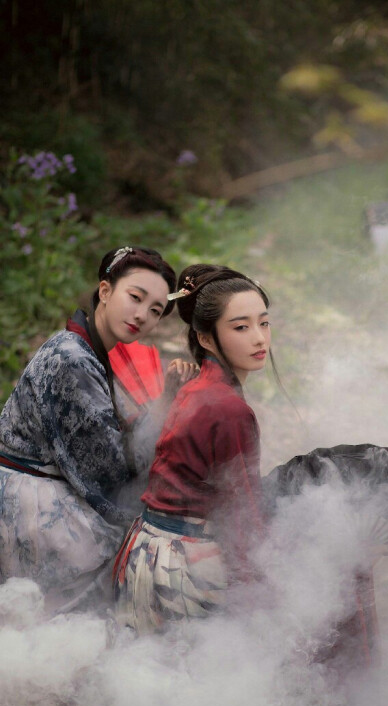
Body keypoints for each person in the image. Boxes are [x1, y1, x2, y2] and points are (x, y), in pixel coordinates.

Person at [0, 245, 193, 614]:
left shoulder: (91, 352)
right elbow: (108, 477)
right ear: (105, 291)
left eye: (155, 310)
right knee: (135, 563)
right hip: (30, 505)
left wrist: (166, 398)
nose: (143, 315)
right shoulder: (72, 359)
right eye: (135, 297)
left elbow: (117, 450)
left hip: (45, 490)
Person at [113, 264, 267, 633]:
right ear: (207, 338)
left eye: (264, 323)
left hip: (144, 550)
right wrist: (262, 589)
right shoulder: (228, 409)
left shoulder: (194, 389)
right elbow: (241, 510)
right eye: (241, 327)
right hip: (186, 566)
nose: (259, 339)